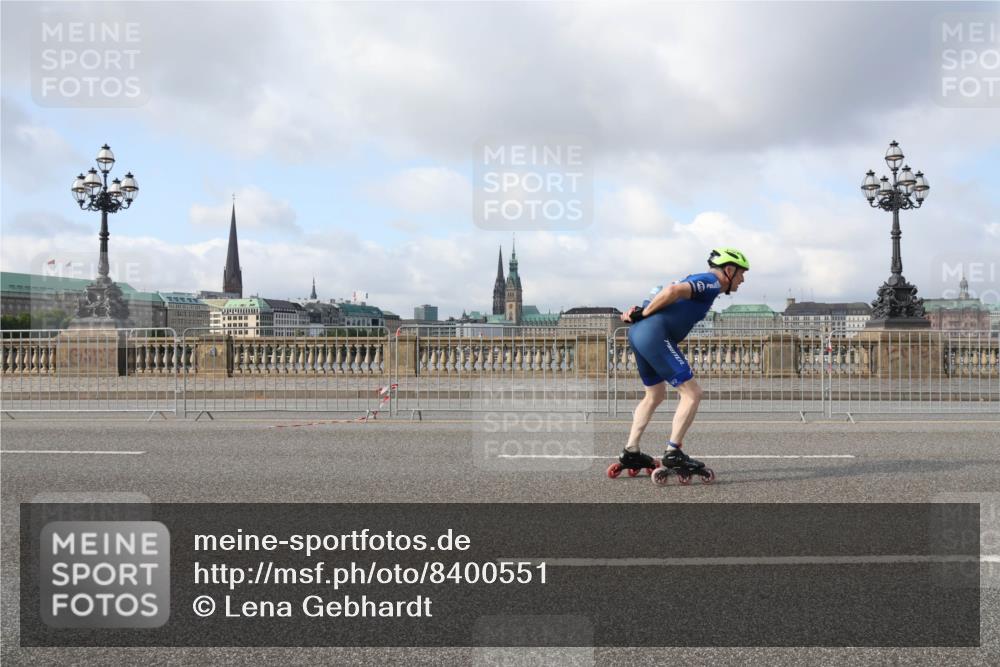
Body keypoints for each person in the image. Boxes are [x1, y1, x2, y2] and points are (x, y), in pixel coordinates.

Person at [610, 248, 750, 483]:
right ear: (728, 270)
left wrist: (638, 313)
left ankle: (631, 451)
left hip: (640, 334)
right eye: (741, 274)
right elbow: (673, 291)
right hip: (655, 334)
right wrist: (644, 312)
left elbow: (662, 292)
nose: (742, 280)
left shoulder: (697, 279)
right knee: (692, 393)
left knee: (654, 395)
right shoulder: (711, 282)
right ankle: (673, 452)